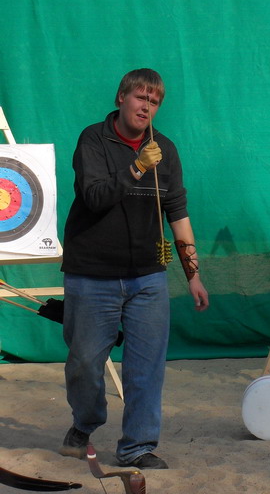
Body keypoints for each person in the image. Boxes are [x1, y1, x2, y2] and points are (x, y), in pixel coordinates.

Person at [58, 68, 209, 470]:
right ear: (121, 98)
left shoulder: (165, 149)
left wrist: (193, 274)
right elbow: (94, 196)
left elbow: (177, 212)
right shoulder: (93, 139)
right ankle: (84, 423)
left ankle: (136, 447)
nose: (147, 107)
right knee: (84, 365)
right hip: (91, 275)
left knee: (146, 368)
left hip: (148, 277)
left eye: (154, 102)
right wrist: (137, 167)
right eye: (141, 97)